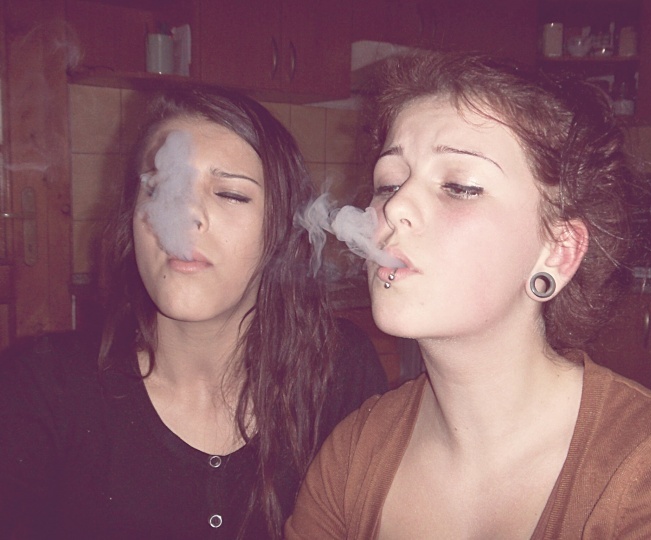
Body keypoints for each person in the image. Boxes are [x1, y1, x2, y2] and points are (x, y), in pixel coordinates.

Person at [285, 52, 651, 538]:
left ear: (557, 251)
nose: (396, 206)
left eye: (459, 186)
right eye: (388, 183)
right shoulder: (353, 452)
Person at [0, 88, 387, 539]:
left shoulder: (341, 370)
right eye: (160, 188)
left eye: (230, 194)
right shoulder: (40, 386)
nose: (184, 214)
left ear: (283, 229)